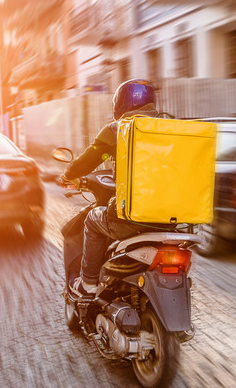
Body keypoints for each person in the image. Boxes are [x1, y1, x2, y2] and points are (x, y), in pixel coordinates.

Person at [58, 79, 162, 297]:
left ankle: (88, 283)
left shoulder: (118, 129)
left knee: (92, 220)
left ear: (121, 103)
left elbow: (87, 162)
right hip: (172, 219)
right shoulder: (170, 129)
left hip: (131, 216)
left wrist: (68, 174)